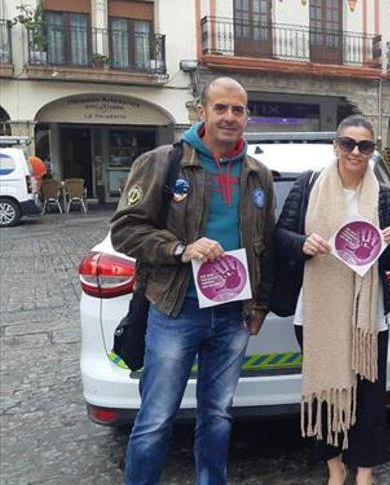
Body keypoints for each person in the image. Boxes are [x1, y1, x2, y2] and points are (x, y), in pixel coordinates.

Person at [110, 77, 276, 485]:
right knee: (156, 419)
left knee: (218, 416)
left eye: (238, 110)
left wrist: (260, 304)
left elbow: (265, 244)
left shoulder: (258, 174)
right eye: (221, 108)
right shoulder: (163, 162)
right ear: (201, 112)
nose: (230, 117)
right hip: (175, 309)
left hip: (233, 314)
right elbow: (125, 230)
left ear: (247, 117)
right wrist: (180, 248)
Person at [272, 115, 390, 485]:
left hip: (368, 316)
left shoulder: (382, 195)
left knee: (370, 397)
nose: (355, 152)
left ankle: (365, 470)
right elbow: (279, 235)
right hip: (317, 310)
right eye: (348, 143)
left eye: (364, 146)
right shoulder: (310, 184)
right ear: (336, 145)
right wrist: (302, 243)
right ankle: (335, 466)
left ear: (372, 151)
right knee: (324, 390)